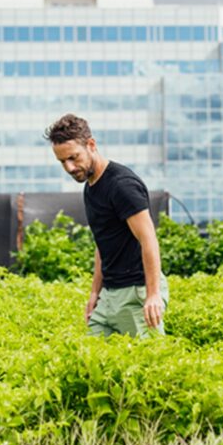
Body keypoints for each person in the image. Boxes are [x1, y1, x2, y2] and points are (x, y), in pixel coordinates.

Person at [45, 113, 169, 338]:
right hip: (109, 295)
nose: (70, 168)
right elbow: (103, 242)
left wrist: (153, 294)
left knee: (149, 365)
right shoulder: (91, 186)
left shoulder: (122, 185)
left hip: (136, 292)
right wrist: (95, 293)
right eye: (62, 161)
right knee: (92, 363)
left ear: (91, 145)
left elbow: (148, 238)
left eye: (74, 157)